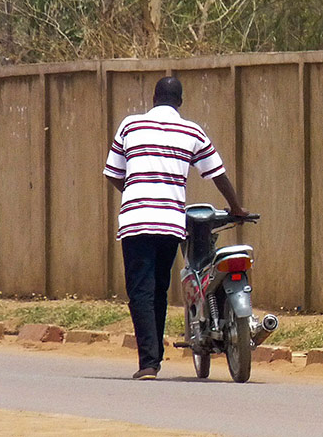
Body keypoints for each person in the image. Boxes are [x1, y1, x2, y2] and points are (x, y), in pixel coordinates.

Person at [104, 76, 249, 380]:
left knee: (140, 290)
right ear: (180, 102)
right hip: (170, 223)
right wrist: (236, 208)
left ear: (153, 98)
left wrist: (135, 191)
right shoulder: (191, 130)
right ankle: (153, 358)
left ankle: (149, 362)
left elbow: (113, 173)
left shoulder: (130, 126)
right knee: (158, 288)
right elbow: (217, 173)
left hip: (135, 221)